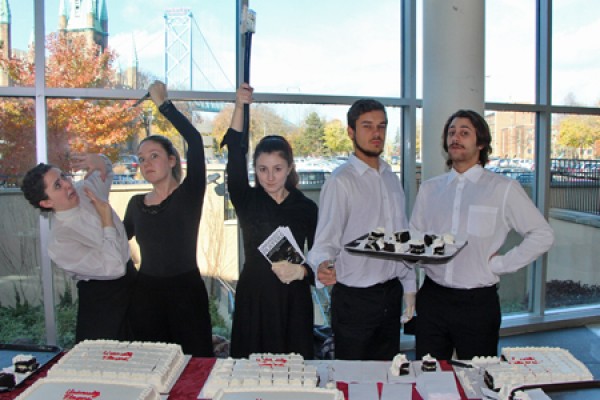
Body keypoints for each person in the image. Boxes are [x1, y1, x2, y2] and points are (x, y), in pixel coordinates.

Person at [410, 109, 554, 361]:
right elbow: (415, 236)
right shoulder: (430, 189)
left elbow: (542, 234)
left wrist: (500, 264)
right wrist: (422, 257)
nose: (456, 137)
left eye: (465, 133)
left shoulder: (503, 189)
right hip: (432, 299)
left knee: (479, 379)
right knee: (427, 376)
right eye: (452, 132)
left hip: (477, 303)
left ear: (481, 143)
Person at [307, 99, 417, 361]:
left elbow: (401, 238)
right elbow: (326, 239)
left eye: (382, 126)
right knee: (353, 380)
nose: (376, 133)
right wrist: (321, 264)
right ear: (351, 132)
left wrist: (410, 287)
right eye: (367, 126)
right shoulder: (340, 181)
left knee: (388, 375)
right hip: (355, 300)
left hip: (391, 295)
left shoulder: (391, 178)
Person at [221, 83, 318, 359]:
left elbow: (322, 259)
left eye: (277, 169)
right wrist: (239, 106)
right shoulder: (246, 199)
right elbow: (235, 153)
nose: (270, 177)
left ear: (289, 168)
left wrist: (302, 272)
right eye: (263, 169)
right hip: (255, 299)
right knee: (251, 376)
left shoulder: (306, 207)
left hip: (294, 301)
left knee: (293, 375)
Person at [123, 81, 214, 357]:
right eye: (141, 159)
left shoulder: (189, 194)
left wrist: (164, 105)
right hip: (146, 296)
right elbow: (113, 242)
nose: (147, 163)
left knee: (195, 365)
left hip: (186, 293)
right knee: (153, 366)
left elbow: (195, 141)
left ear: (173, 160)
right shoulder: (136, 204)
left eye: (154, 156)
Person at [21, 154, 136, 343]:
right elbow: (114, 268)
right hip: (102, 305)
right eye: (57, 186)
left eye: (64, 177)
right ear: (46, 203)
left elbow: (104, 169)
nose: (67, 185)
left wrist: (100, 161)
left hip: (134, 286)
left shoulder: (85, 190)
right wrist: (106, 220)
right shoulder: (60, 243)